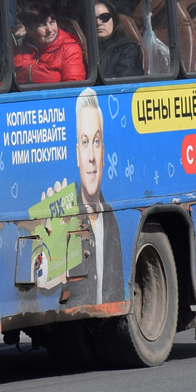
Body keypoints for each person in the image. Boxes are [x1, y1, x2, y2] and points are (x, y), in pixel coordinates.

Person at [75, 89, 123, 305]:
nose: (92, 157)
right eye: (85, 143)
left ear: (103, 152)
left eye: (96, 142)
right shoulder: (65, 219)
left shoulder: (112, 218)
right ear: (78, 154)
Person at [13, 0, 85, 84]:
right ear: (29, 31)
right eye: (43, 25)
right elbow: (3, 82)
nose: (50, 30)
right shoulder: (17, 51)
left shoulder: (69, 49)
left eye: (52, 22)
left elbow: (73, 87)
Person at [94, 0, 143, 79]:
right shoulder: (87, 49)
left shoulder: (127, 48)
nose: (98, 23)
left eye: (104, 17)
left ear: (114, 20)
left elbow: (124, 83)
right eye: (93, 19)